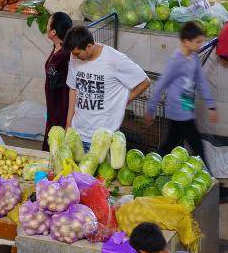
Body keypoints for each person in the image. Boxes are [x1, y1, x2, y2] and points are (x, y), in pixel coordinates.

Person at [63, 24, 150, 143]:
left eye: (77, 53)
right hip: (77, 133)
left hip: (103, 138)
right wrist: (68, 124)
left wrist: (125, 101)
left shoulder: (115, 59)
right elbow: (73, 89)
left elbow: (145, 82)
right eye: (72, 53)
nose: (74, 57)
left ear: (89, 46)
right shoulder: (75, 58)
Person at [146, 21, 217, 160]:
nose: (200, 45)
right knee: (197, 146)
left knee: (170, 145)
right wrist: (150, 109)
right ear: (186, 42)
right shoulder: (176, 61)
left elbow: (201, 82)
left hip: (186, 108)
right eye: (197, 42)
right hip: (178, 111)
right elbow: (161, 84)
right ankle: (210, 177)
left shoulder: (194, 58)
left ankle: (155, 162)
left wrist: (211, 106)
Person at [41, 11, 74, 150]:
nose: (47, 27)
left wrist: (68, 122)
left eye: (48, 24)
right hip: (53, 104)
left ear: (53, 31)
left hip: (62, 105)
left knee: (57, 141)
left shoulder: (65, 55)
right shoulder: (57, 48)